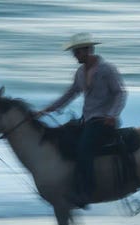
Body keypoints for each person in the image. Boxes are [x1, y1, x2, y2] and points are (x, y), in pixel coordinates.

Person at [38, 32, 127, 207]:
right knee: (63, 138)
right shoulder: (80, 72)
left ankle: (86, 192)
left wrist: (112, 114)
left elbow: (120, 93)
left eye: (77, 52)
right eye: (74, 52)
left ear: (89, 50)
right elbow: (71, 93)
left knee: (84, 149)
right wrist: (48, 109)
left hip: (104, 120)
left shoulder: (107, 69)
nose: (75, 56)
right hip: (87, 120)